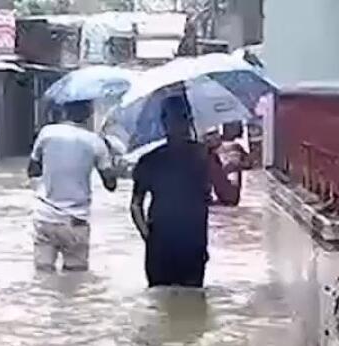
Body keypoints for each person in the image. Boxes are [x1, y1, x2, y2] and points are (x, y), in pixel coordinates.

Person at [129, 92, 240, 288]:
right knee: (193, 303)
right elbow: (229, 197)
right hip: (192, 245)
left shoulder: (149, 160)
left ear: (163, 123)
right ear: (190, 121)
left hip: (161, 247)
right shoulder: (204, 156)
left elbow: (136, 205)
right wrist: (234, 170)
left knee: (160, 305)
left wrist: (149, 237)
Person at [27, 100, 118, 273]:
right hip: (75, 221)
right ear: (89, 113)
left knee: (43, 276)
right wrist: (108, 157)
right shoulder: (95, 142)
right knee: (76, 280)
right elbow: (111, 184)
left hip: (45, 217)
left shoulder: (47, 133)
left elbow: (32, 170)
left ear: (64, 111)